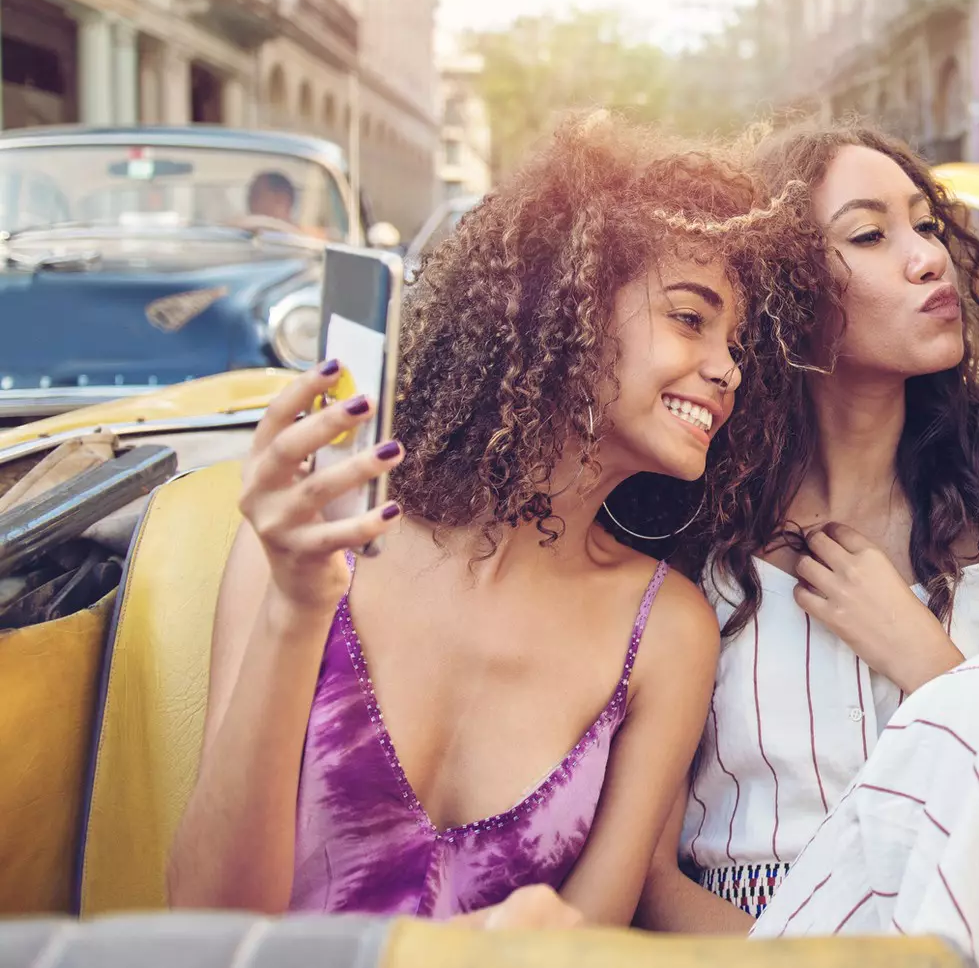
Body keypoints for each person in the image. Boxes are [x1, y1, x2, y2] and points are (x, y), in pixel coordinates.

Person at [167, 115, 814, 927]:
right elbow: (205, 916)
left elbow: (587, 943)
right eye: (691, 318)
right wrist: (296, 606)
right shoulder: (312, 540)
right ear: (567, 304)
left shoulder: (667, 632)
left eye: (739, 342)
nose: (727, 368)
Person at [639, 122, 979, 968]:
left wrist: (928, 661)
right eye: (871, 234)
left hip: (971, 936)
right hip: (756, 944)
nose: (928, 258)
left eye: (927, 226)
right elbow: (651, 881)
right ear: (787, 286)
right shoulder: (696, 544)